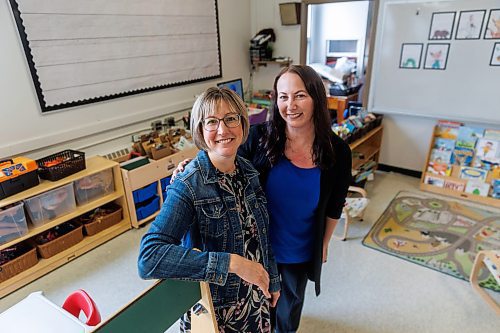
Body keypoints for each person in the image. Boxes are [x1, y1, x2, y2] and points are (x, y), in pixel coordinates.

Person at [173, 65, 352, 332]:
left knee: (287, 312)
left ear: (316, 97)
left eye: (300, 95)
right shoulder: (259, 137)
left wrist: (323, 243)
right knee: (255, 309)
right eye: (283, 96)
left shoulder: (337, 151)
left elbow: (335, 205)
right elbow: (225, 161)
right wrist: (193, 166)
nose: (290, 105)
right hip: (252, 247)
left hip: (297, 250)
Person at [138, 87, 280, 333]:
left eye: (231, 119)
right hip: (214, 311)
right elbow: (149, 258)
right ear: (200, 130)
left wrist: (273, 280)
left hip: (253, 301)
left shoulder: (247, 171)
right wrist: (232, 263)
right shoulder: (188, 183)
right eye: (211, 122)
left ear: (243, 123)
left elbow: (260, 236)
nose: (223, 130)